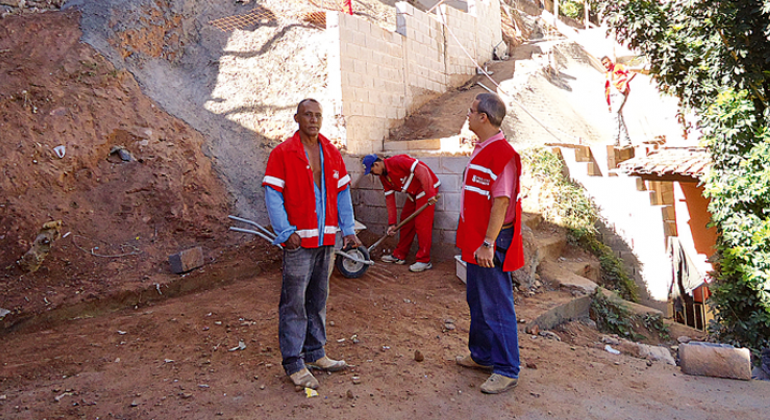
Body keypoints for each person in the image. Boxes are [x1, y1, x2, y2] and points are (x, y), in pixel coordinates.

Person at [262, 98, 362, 390]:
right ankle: (294, 362)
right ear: (297, 118)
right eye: (308, 114)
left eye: (318, 115)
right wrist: (284, 232)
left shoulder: (331, 153)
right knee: (294, 303)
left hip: (326, 241)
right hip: (298, 243)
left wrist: (349, 230)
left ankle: (316, 353)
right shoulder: (283, 153)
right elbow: (272, 195)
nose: (313, 120)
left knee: (318, 299)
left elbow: (343, 194)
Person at [455, 92, 524, 394]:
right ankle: (482, 356)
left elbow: (501, 201)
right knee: (477, 300)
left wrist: (488, 242)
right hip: (477, 239)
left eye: (471, 112)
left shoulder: (501, 153)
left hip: (489, 240)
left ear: (483, 117)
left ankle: (507, 368)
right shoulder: (482, 148)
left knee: (496, 304)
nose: (467, 116)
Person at [362, 154, 440, 272]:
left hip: (426, 188)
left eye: (372, 171)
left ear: (377, 164)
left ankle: (424, 260)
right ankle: (399, 255)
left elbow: (422, 170)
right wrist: (392, 223)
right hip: (413, 192)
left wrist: (430, 194)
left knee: (422, 224)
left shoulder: (397, 161)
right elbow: (390, 200)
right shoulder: (383, 178)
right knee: (405, 220)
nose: (373, 175)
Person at [601, 56, 636, 147]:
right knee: (618, 115)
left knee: (615, 114)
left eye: (606, 62)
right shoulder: (607, 73)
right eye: (603, 64)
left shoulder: (618, 67)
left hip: (620, 92)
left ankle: (615, 139)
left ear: (610, 61)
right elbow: (607, 88)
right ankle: (626, 140)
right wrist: (608, 102)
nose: (605, 65)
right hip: (612, 95)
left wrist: (625, 83)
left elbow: (632, 73)